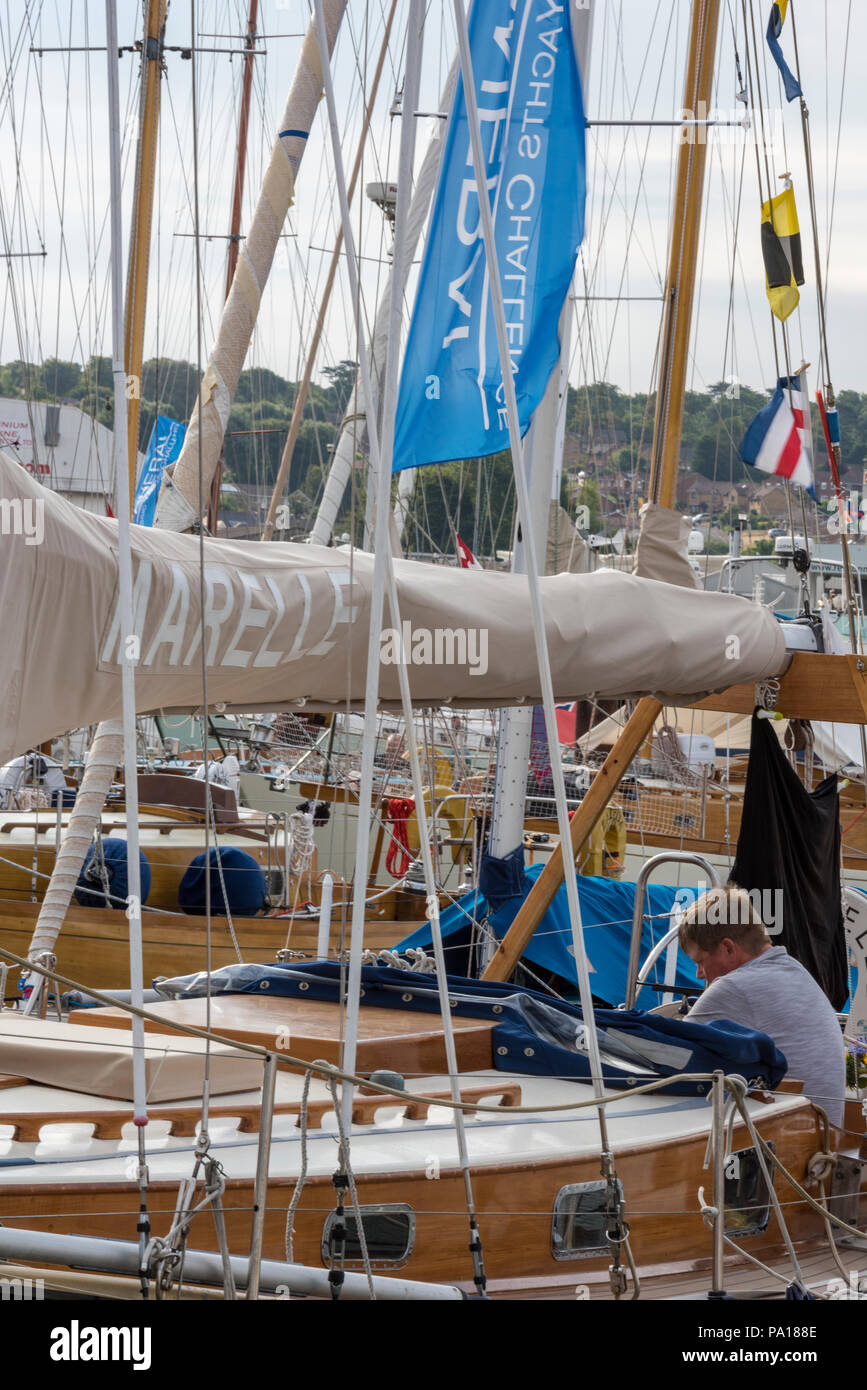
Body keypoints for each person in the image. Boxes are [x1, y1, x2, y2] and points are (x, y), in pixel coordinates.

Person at [678, 885, 846, 1127]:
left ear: (727, 948)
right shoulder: (796, 970)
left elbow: (673, 1059)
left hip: (789, 1142)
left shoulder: (733, 987)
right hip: (825, 1139)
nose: (698, 974)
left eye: (701, 961)